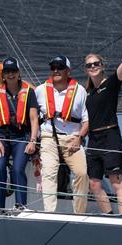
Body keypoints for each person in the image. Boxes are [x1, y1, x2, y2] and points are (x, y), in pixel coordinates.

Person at [85, 26, 122, 214]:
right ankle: (109, 216)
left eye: (96, 64)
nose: (93, 67)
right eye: (89, 65)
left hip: (110, 136)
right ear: (86, 70)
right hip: (93, 140)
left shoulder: (111, 84)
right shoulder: (87, 93)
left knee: (116, 180)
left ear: (102, 66)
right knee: (94, 184)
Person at [35, 55, 89, 214]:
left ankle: (79, 213)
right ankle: (49, 212)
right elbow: (32, 116)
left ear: (68, 71)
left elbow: (86, 121)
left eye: (60, 67)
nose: (56, 70)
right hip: (48, 137)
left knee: (81, 173)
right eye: (53, 68)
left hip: (72, 137)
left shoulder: (80, 91)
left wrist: (79, 138)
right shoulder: (40, 90)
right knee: (49, 172)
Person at [0, 58, 39, 209]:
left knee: (17, 169)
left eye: (13, 71)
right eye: (7, 72)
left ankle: (21, 206)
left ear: (18, 73)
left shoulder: (29, 92)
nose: (10, 75)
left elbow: (34, 119)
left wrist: (32, 141)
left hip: (21, 137)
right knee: (0, 167)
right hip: (1, 136)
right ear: (3, 75)